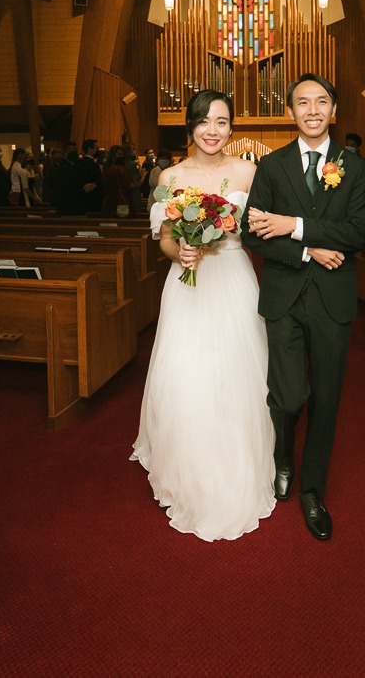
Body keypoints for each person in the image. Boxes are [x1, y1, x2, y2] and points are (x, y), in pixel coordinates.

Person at [131, 90, 273, 542]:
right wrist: (181, 251)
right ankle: (188, 467)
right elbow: (165, 240)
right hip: (188, 281)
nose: (213, 130)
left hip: (232, 275)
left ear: (232, 128)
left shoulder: (248, 172)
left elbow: (261, 232)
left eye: (223, 122)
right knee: (186, 375)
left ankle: (237, 466)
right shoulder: (171, 176)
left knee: (237, 376)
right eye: (204, 122)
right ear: (190, 126)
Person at [243, 73, 365, 541]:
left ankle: (313, 490)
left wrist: (294, 225)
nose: (312, 110)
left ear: (334, 110)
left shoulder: (352, 167)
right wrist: (307, 248)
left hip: (333, 299)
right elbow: (250, 231)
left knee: (328, 398)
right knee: (289, 394)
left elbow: (357, 235)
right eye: (302, 102)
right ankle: (282, 456)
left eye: (321, 102)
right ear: (291, 111)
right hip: (283, 293)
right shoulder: (272, 166)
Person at [101, 146, 134, 216]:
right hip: (120, 201)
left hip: (109, 202)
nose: (121, 157)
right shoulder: (120, 169)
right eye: (119, 154)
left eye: (122, 155)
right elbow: (127, 186)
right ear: (113, 156)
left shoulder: (108, 168)